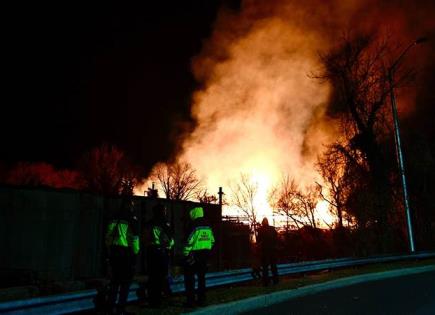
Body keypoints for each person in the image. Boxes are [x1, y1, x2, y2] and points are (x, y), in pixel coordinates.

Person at [105, 198, 140, 315]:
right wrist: (135, 252)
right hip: (126, 254)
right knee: (125, 284)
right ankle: (121, 309)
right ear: (130, 206)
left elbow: (108, 236)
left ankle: (110, 308)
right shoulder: (131, 218)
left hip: (114, 252)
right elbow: (134, 238)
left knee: (114, 282)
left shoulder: (114, 218)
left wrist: (109, 250)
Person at [183, 206, 215, 307]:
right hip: (205, 255)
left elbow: (188, 241)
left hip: (193, 255)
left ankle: (190, 301)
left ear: (194, 213)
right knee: (201, 278)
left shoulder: (193, 224)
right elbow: (212, 241)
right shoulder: (208, 225)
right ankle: (202, 300)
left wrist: (186, 253)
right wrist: (207, 249)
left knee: (189, 278)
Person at [145, 204, 174, 307]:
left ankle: (151, 300)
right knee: (161, 276)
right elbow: (169, 240)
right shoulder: (164, 224)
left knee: (152, 276)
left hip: (150, 252)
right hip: (161, 252)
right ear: (162, 211)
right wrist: (169, 248)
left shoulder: (149, 223)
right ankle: (158, 300)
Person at [256, 217, 278, 286]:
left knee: (265, 267)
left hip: (265, 251)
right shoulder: (272, 229)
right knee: (273, 266)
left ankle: (266, 282)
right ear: (268, 222)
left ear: (262, 222)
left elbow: (258, 241)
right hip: (272, 250)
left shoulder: (260, 230)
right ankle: (275, 281)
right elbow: (276, 238)